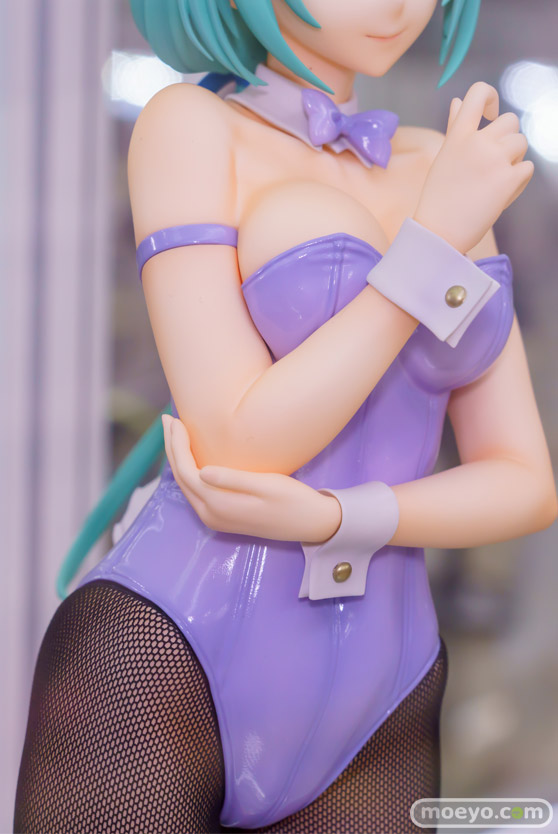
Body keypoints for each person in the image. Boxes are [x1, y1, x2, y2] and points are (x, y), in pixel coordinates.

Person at [14, 1, 557, 833]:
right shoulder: (191, 124)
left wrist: (338, 518)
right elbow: (240, 440)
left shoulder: (442, 167)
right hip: (170, 649)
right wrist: (430, 247)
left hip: (385, 687)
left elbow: (525, 482)